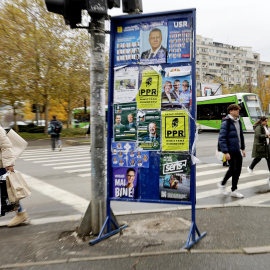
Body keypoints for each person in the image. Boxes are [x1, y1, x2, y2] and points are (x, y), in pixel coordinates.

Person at [0, 126, 28, 227]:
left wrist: (8, 164)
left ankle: (21, 213)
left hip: (1, 166)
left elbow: (6, 146)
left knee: (7, 191)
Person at [217, 104, 246, 198]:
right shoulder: (226, 122)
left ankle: (234, 190)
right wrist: (225, 152)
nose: (238, 111)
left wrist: (243, 148)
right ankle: (222, 184)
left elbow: (240, 136)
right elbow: (222, 138)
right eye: (236, 110)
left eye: (238, 110)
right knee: (233, 169)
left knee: (238, 170)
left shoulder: (238, 121)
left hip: (237, 150)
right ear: (230, 111)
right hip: (230, 150)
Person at [247, 116, 270, 185]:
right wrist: (267, 136)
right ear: (261, 121)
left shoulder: (265, 126)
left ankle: (250, 167)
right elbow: (258, 135)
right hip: (260, 146)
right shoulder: (258, 127)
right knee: (261, 158)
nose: (266, 122)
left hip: (265, 146)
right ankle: (250, 167)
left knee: (261, 158)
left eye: (267, 121)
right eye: (265, 121)